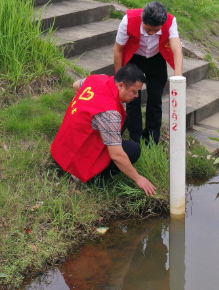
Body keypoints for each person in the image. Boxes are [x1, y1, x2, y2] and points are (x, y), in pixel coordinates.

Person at [51, 64, 157, 195]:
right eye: (134, 92)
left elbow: (76, 85)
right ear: (121, 85)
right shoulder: (109, 113)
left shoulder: (98, 78)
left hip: (61, 148)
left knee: (124, 116)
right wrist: (138, 178)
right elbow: (117, 156)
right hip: (75, 162)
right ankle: (88, 178)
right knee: (133, 150)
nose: (136, 96)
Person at [113, 1, 184, 145]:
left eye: (155, 30)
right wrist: (118, 79)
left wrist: (178, 78)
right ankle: (135, 139)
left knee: (155, 100)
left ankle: (152, 140)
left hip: (156, 59)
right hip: (134, 57)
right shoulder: (129, 20)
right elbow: (118, 49)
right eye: (148, 29)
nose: (151, 33)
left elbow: (177, 50)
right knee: (132, 100)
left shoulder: (171, 21)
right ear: (142, 20)